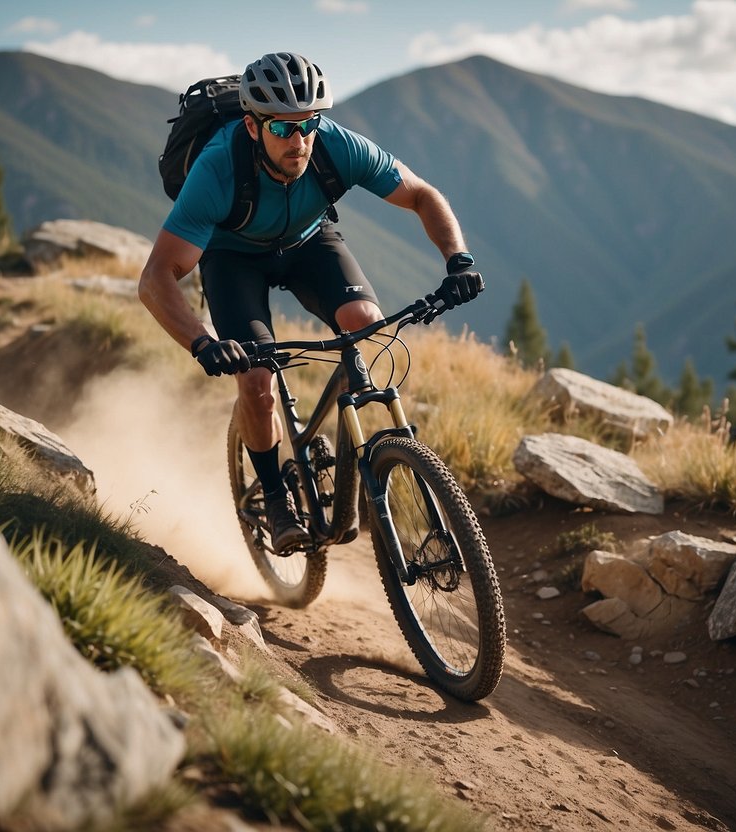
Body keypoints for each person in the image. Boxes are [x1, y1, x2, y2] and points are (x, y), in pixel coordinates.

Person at [139, 51, 484, 555]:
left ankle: (364, 462)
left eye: (309, 124)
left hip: (308, 243)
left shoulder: (336, 146)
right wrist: (202, 343)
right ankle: (277, 498)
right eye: (282, 128)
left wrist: (459, 260)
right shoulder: (218, 168)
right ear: (253, 127)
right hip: (234, 257)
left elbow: (423, 195)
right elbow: (156, 278)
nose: (299, 141)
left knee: (367, 326)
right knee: (257, 383)